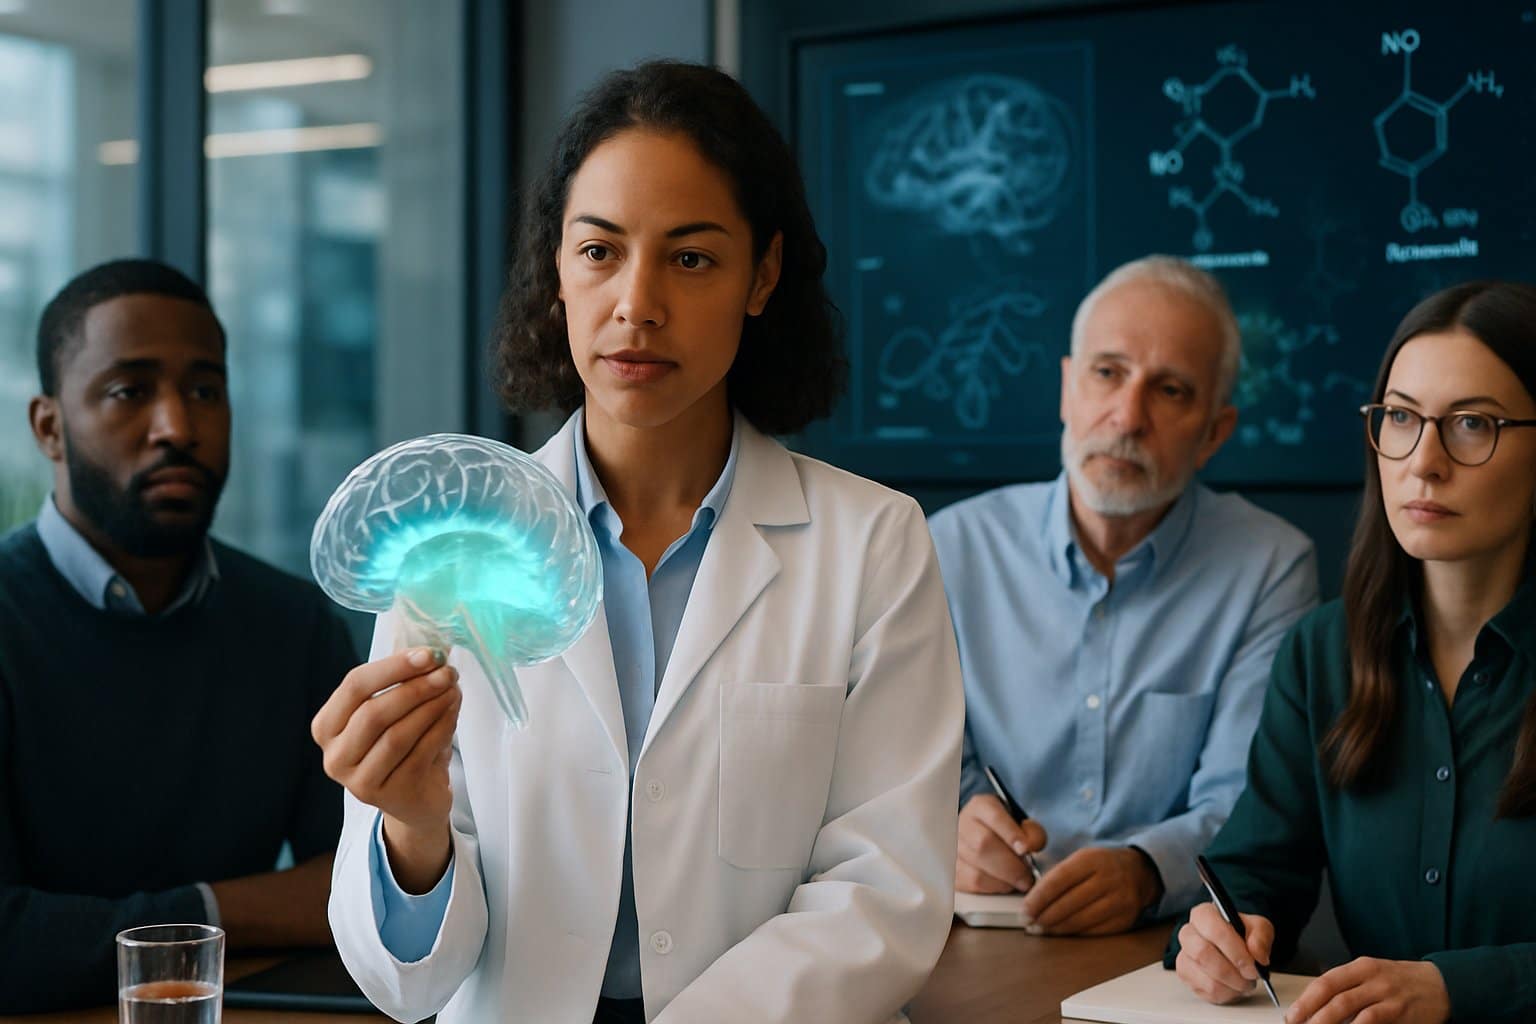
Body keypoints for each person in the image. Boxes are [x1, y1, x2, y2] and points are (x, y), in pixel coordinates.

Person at [314, 60, 964, 1024]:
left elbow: (886, 895)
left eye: (691, 258)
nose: (637, 303)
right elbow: (406, 980)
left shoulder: (872, 543)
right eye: (600, 252)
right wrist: (408, 825)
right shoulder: (453, 550)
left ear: (763, 276)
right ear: (557, 276)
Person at [1172, 280, 1536, 1024]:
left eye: (1472, 424)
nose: (1424, 461)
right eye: (1400, 418)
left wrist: (1454, 989)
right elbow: (1254, 870)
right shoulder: (1322, 652)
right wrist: (1224, 930)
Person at [0, 259, 357, 1011]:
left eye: (204, 390)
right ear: (49, 428)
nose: (178, 427)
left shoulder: (296, 626)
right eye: (129, 391)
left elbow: (362, 890)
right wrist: (218, 912)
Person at [931, 255, 1318, 935]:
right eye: (1107, 373)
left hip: (1167, 948)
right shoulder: (950, 549)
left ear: (1214, 432)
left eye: (1169, 391)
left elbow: (1248, 798)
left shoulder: (1270, 567)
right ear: (1066, 389)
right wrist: (956, 825)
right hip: (975, 934)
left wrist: (1145, 870)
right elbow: (911, 767)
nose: (1127, 416)